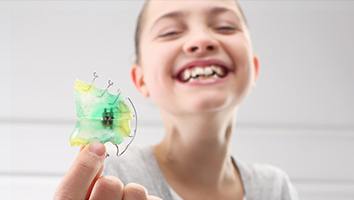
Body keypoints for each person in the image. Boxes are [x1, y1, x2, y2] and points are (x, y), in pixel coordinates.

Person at [54, 0, 299, 199]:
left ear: (254, 68)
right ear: (141, 80)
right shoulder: (110, 177)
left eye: (225, 26)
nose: (201, 41)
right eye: (170, 32)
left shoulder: (275, 188)